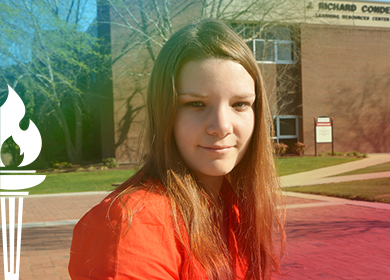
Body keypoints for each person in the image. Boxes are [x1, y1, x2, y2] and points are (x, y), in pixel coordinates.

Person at [68, 18, 285, 280]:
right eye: (195, 104)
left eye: (239, 104)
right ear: (165, 112)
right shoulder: (132, 224)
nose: (221, 126)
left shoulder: (234, 208)